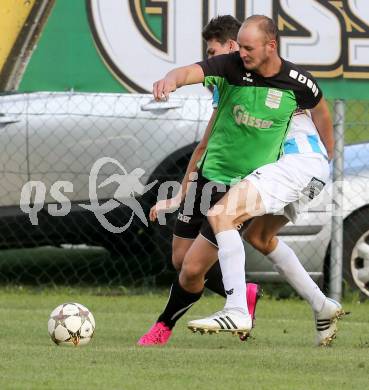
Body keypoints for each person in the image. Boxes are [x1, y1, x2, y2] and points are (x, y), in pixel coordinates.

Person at [140, 15, 344, 347]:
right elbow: (194, 77)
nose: (239, 55)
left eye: (243, 48)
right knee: (260, 238)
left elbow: (318, 106)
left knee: (217, 225)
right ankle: (322, 305)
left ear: (266, 46)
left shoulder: (290, 83)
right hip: (312, 174)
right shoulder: (232, 76)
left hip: (295, 169)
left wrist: (329, 151)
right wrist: (172, 79)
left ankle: (233, 308)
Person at [138, 15, 261, 346]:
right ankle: (243, 291)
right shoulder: (222, 88)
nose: (209, 59)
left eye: (213, 51)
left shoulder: (263, 87)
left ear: (232, 48)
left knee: (192, 269)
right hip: (207, 178)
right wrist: (180, 195)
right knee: (180, 258)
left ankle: (162, 327)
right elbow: (204, 144)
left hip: (237, 187)